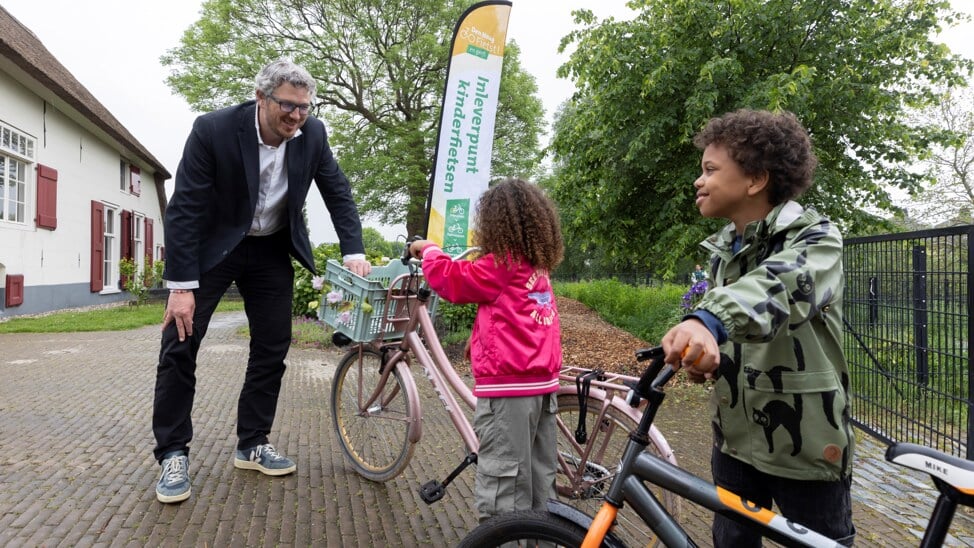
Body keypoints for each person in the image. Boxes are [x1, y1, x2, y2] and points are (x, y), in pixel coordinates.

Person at [153, 59, 372, 504]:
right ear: (261, 97)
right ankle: (172, 452)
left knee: (273, 346)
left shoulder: (313, 134)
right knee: (181, 342)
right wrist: (180, 286)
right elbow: (185, 207)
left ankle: (252, 442)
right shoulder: (212, 130)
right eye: (287, 106)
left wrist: (354, 250)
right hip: (214, 250)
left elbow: (338, 191)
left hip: (271, 248)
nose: (296, 117)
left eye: (304, 108)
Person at [660, 109, 855, 546]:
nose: (698, 181)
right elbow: (740, 330)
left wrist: (709, 320)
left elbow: (777, 288)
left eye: (710, 170)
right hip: (733, 444)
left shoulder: (816, 238)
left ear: (754, 180)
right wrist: (707, 356)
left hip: (806, 450)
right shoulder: (723, 252)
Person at [407, 178, 564, 522]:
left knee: (503, 482)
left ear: (495, 224)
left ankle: (502, 537)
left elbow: (451, 279)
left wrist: (430, 250)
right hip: (541, 385)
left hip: (509, 391)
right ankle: (544, 538)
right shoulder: (536, 265)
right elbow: (514, 316)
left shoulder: (501, 264)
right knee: (540, 480)